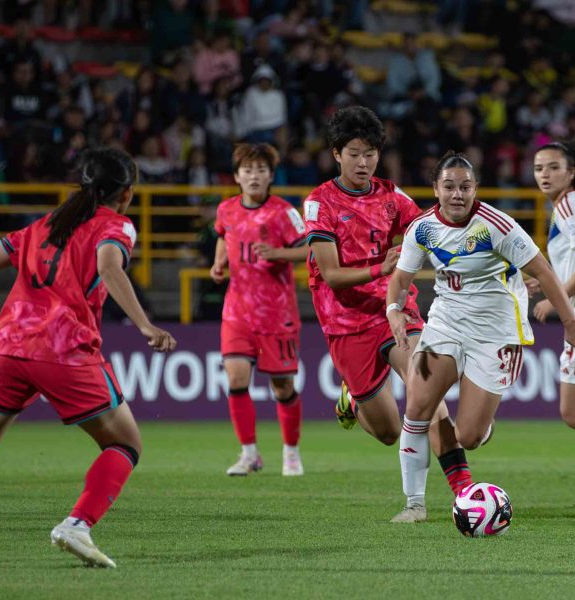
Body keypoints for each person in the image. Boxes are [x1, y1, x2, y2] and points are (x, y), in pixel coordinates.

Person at [0, 148, 176, 568]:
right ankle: (77, 525)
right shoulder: (117, 225)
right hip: (64, 352)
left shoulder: (46, 225)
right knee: (125, 442)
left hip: (7, 347)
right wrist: (145, 325)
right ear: (126, 194)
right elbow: (108, 266)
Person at [303, 106, 473, 523]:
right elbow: (330, 275)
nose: (364, 162)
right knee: (388, 431)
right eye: (356, 154)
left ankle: (464, 492)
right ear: (337, 154)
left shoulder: (392, 196)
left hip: (395, 309)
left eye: (372, 153)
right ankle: (351, 401)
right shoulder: (318, 203)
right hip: (343, 321)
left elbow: (431, 231)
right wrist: (379, 266)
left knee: (426, 395)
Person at [386, 151, 575, 512]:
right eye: (449, 187)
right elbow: (399, 280)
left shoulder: (497, 225)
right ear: (436, 189)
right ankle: (414, 503)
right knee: (417, 403)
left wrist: (569, 322)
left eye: (465, 187)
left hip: (496, 330)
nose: (457, 195)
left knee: (468, 436)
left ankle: (481, 426)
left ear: (476, 189)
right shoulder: (423, 228)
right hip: (446, 322)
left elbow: (545, 272)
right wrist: (393, 310)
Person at [211, 143, 308, 477]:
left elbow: (310, 250)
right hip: (237, 310)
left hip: (277, 312)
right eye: (247, 170)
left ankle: (291, 452)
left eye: (261, 170)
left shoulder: (284, 213)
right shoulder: (226, 209)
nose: (254, 176)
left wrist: (279, 255)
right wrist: (218, 262)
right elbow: (224, 235)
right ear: (237, 176)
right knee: (236, 379)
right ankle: (249, 453)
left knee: (282, 386)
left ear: (271, 176)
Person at [528, 142, 575, 427]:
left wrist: (553, 298)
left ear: (570, 173)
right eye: (538, 168)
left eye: (554, 168)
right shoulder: (561, 208)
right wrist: (545, 280)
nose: (544, 174)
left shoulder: (570, 205)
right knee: (570, 412)